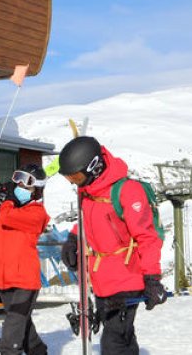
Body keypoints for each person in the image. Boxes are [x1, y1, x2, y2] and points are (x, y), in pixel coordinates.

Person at [57, 136, 166, 355]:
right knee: (122, 336)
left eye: (76, 177)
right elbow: (86, 221)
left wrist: (152, 278)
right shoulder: (88, 193)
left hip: (127, 277)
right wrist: (73, 240)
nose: (74, 183)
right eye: (70, 178)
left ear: (94, 167)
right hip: (101, 278)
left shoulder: (127, 191)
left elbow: (147, 237)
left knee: (113, 342)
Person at [0, 164, 51, 355]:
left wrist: (9, 199)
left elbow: (6, 218)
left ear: (37, 190)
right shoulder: (7, 206)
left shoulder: (36, 213)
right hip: (4, 276)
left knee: (13, 323)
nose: (21, 186)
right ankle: (39, 351)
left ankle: (8, 352)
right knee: (22, 322)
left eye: (27, 184)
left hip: (25, 280)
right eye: (18, 180)